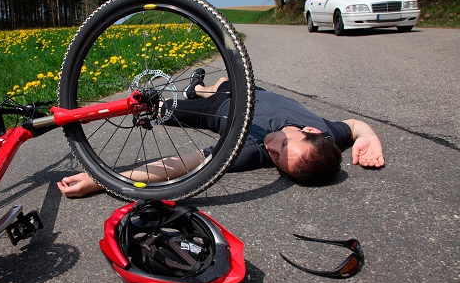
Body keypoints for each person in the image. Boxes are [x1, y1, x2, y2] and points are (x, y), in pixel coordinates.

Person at [58, 69, 385, 198]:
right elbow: (355, 125)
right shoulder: (330, 134)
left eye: (275, 158)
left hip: (217, 112)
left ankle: (197, 91)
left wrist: (101, 180)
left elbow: (181, 163)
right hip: (248, 90)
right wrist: (369, 137)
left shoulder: (253, 150)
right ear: (313, 131)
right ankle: (198, 86)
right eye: (283, 142)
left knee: (148, 106)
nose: (270, 145)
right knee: (217, 85)